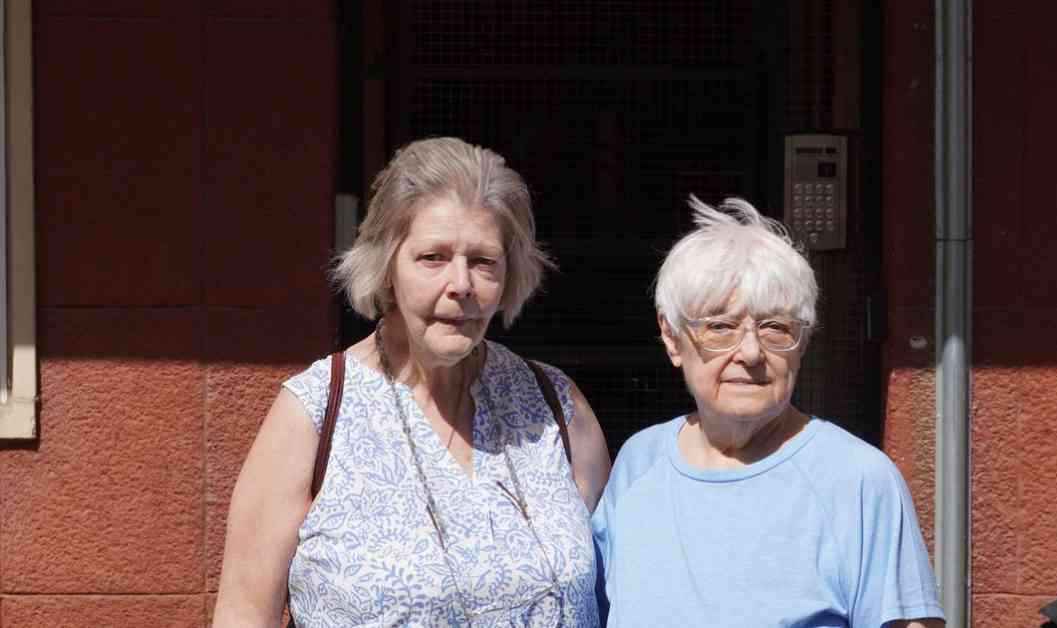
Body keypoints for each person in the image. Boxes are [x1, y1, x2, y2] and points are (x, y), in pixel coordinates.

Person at [213, 137, 611, 627]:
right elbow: (244, 613)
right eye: (433, 257)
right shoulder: (315, 412)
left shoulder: (555, 407)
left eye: (483, 261)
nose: (461, 284)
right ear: (386, 267)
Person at [591, 196, 944, 627]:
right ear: (672, 337)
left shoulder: (857, 480)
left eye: (776, 327)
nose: (751, 353)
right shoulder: (639, 462)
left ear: (804, 341)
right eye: (720, 327)